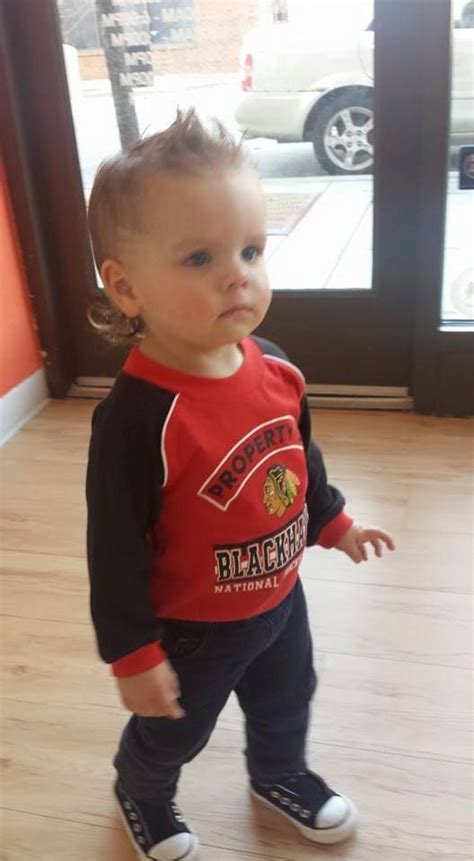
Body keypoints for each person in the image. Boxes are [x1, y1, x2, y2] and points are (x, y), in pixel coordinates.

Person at [86, 108, 395, 861]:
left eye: (252, 249)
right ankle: (143, 790)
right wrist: (133, 653)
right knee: (173, 730)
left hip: (280, 597)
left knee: (288, 697)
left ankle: (278, 771)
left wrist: (335, 522)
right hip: (193, 626)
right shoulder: (137, 419)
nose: (239, 274)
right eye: (200, 258)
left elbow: (297, 460)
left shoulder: (277, 365)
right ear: (125, 287)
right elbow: (114, 549)